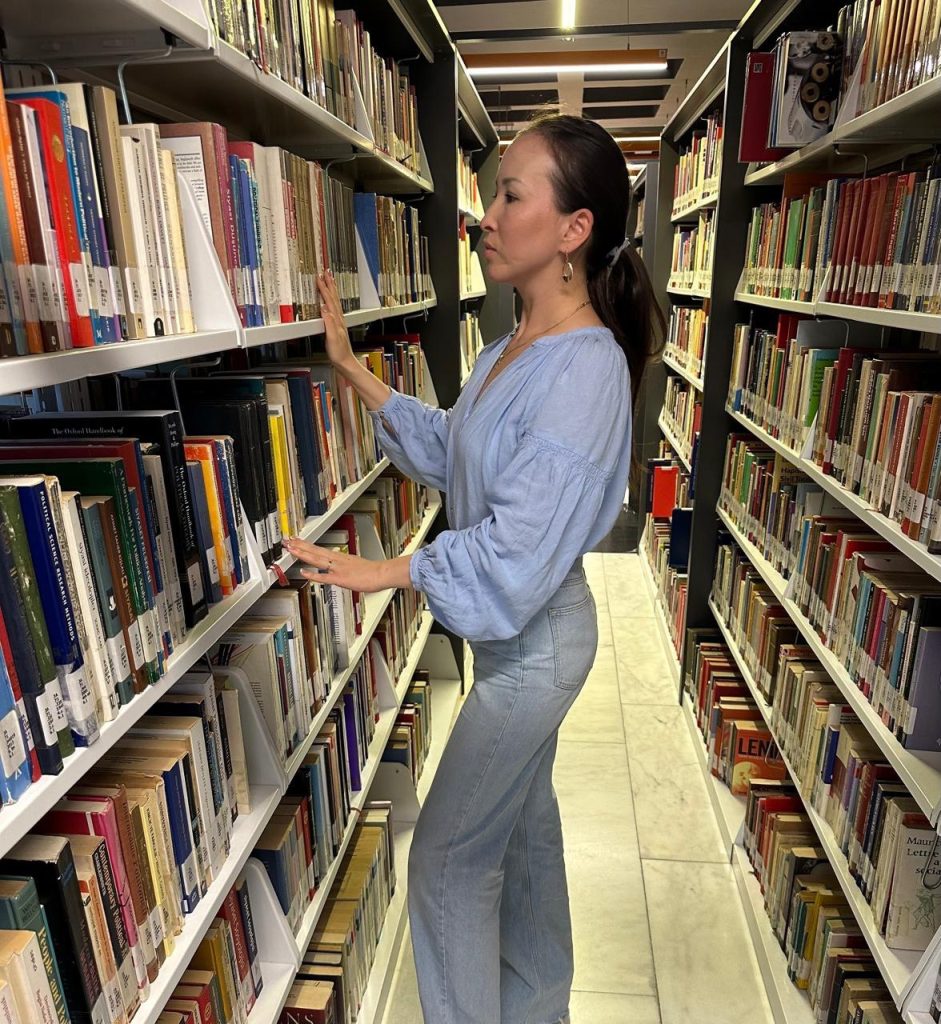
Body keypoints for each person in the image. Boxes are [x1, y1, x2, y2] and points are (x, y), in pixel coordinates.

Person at [283, 113, 664, 1024]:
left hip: (536, 652)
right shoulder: (509, 351)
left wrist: (388, 571)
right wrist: (352, 371)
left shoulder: (586, 369)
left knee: (448, 861)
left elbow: (521, 547)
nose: (484, 216)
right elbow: (456, 449)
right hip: (514, 647)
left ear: (573, 230)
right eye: (490, 194)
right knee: (524, 845)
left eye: (509, 195)